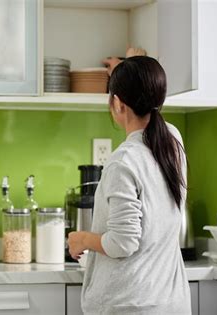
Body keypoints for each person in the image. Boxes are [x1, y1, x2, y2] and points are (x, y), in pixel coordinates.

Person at [67, 56, 191, 315]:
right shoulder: (173, 143)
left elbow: (122, 243)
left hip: (128, 304)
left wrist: (82, 239)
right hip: (171, 302)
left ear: (117, 103)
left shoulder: (123, 162)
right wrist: (125, 76)